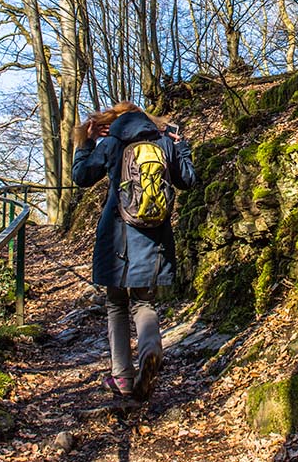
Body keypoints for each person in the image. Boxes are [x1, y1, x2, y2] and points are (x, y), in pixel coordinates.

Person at [71, 101, 196, 401]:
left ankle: (123, 378)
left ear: (115, 120)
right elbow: (188, 180)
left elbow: (82, 176)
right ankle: (150, 349)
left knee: (116, 304)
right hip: (153, 235)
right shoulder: (163, 142)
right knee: (143, 303)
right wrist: (181, 146)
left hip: (116, 235)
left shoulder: (112, 142)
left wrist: (87, 143)